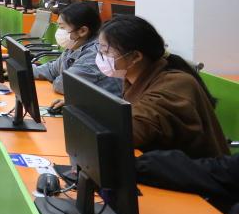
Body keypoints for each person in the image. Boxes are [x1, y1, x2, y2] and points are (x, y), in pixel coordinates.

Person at [97, 15, 229, 158]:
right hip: (164, 164)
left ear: (135, 57)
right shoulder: (134, 77)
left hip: (192, 170)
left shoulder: (175, 84)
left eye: (106, 51)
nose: (101, 56)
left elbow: (131, 131)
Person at [33, 2, 121, 102]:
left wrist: (57, 78)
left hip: (103, 109)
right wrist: (25, 70)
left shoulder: (96, 54)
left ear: (82, 31)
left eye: (62, 27)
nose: (58, 31)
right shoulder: (74, 46)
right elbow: (51, 70)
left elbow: (64, 85)